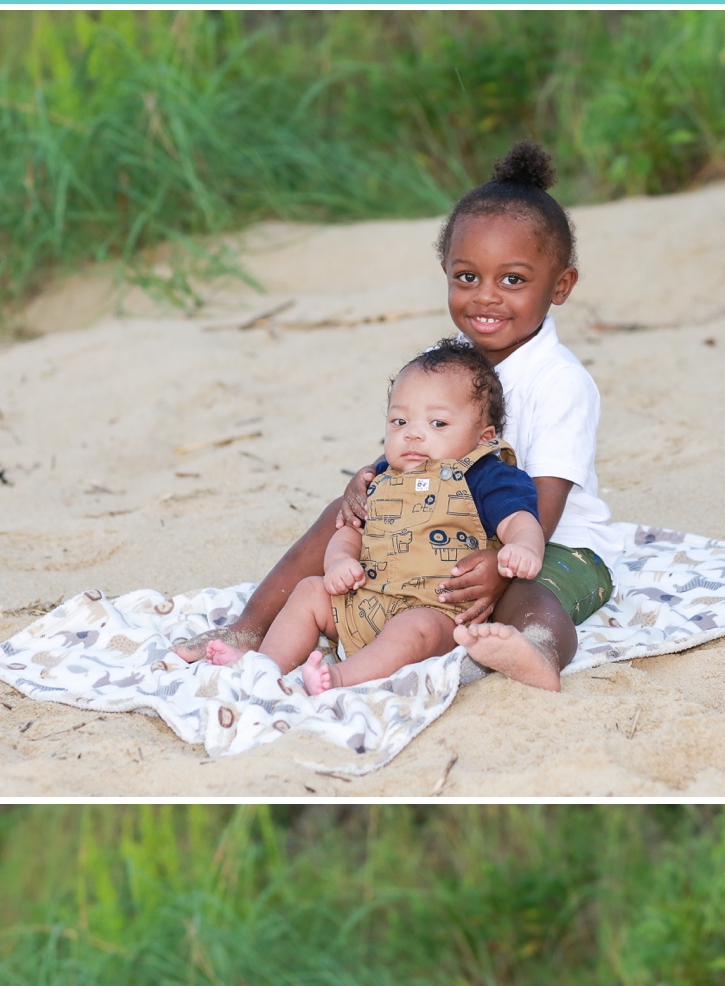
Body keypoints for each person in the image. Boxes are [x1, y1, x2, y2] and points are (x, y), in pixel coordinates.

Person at [176, 140, 616, 692]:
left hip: (547, 542)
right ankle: (248, 628)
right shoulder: (455, 359)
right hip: (445, 530)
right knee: (346, 511)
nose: (485, 299)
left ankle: (537, 652)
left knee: (526, 594)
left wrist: (502, 555)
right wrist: (373, 479)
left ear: (561, 286)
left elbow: (545, 503)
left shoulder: (560, 382)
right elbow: (422, 437)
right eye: (466, 277)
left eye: (513, 280)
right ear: (445, 271)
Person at [199, 340, 543, 694]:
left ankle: (342, 677)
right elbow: (352, 530)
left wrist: (523, 547)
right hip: (366, 604)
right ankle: (265, 667)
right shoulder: (382, 476)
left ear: (482, 437)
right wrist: (338, 561)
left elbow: (519, 519)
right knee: (309, 591)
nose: (413, 432)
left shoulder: (487, 475)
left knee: (416, 628)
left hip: (436, 611)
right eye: (400, 420)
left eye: (438, 423)